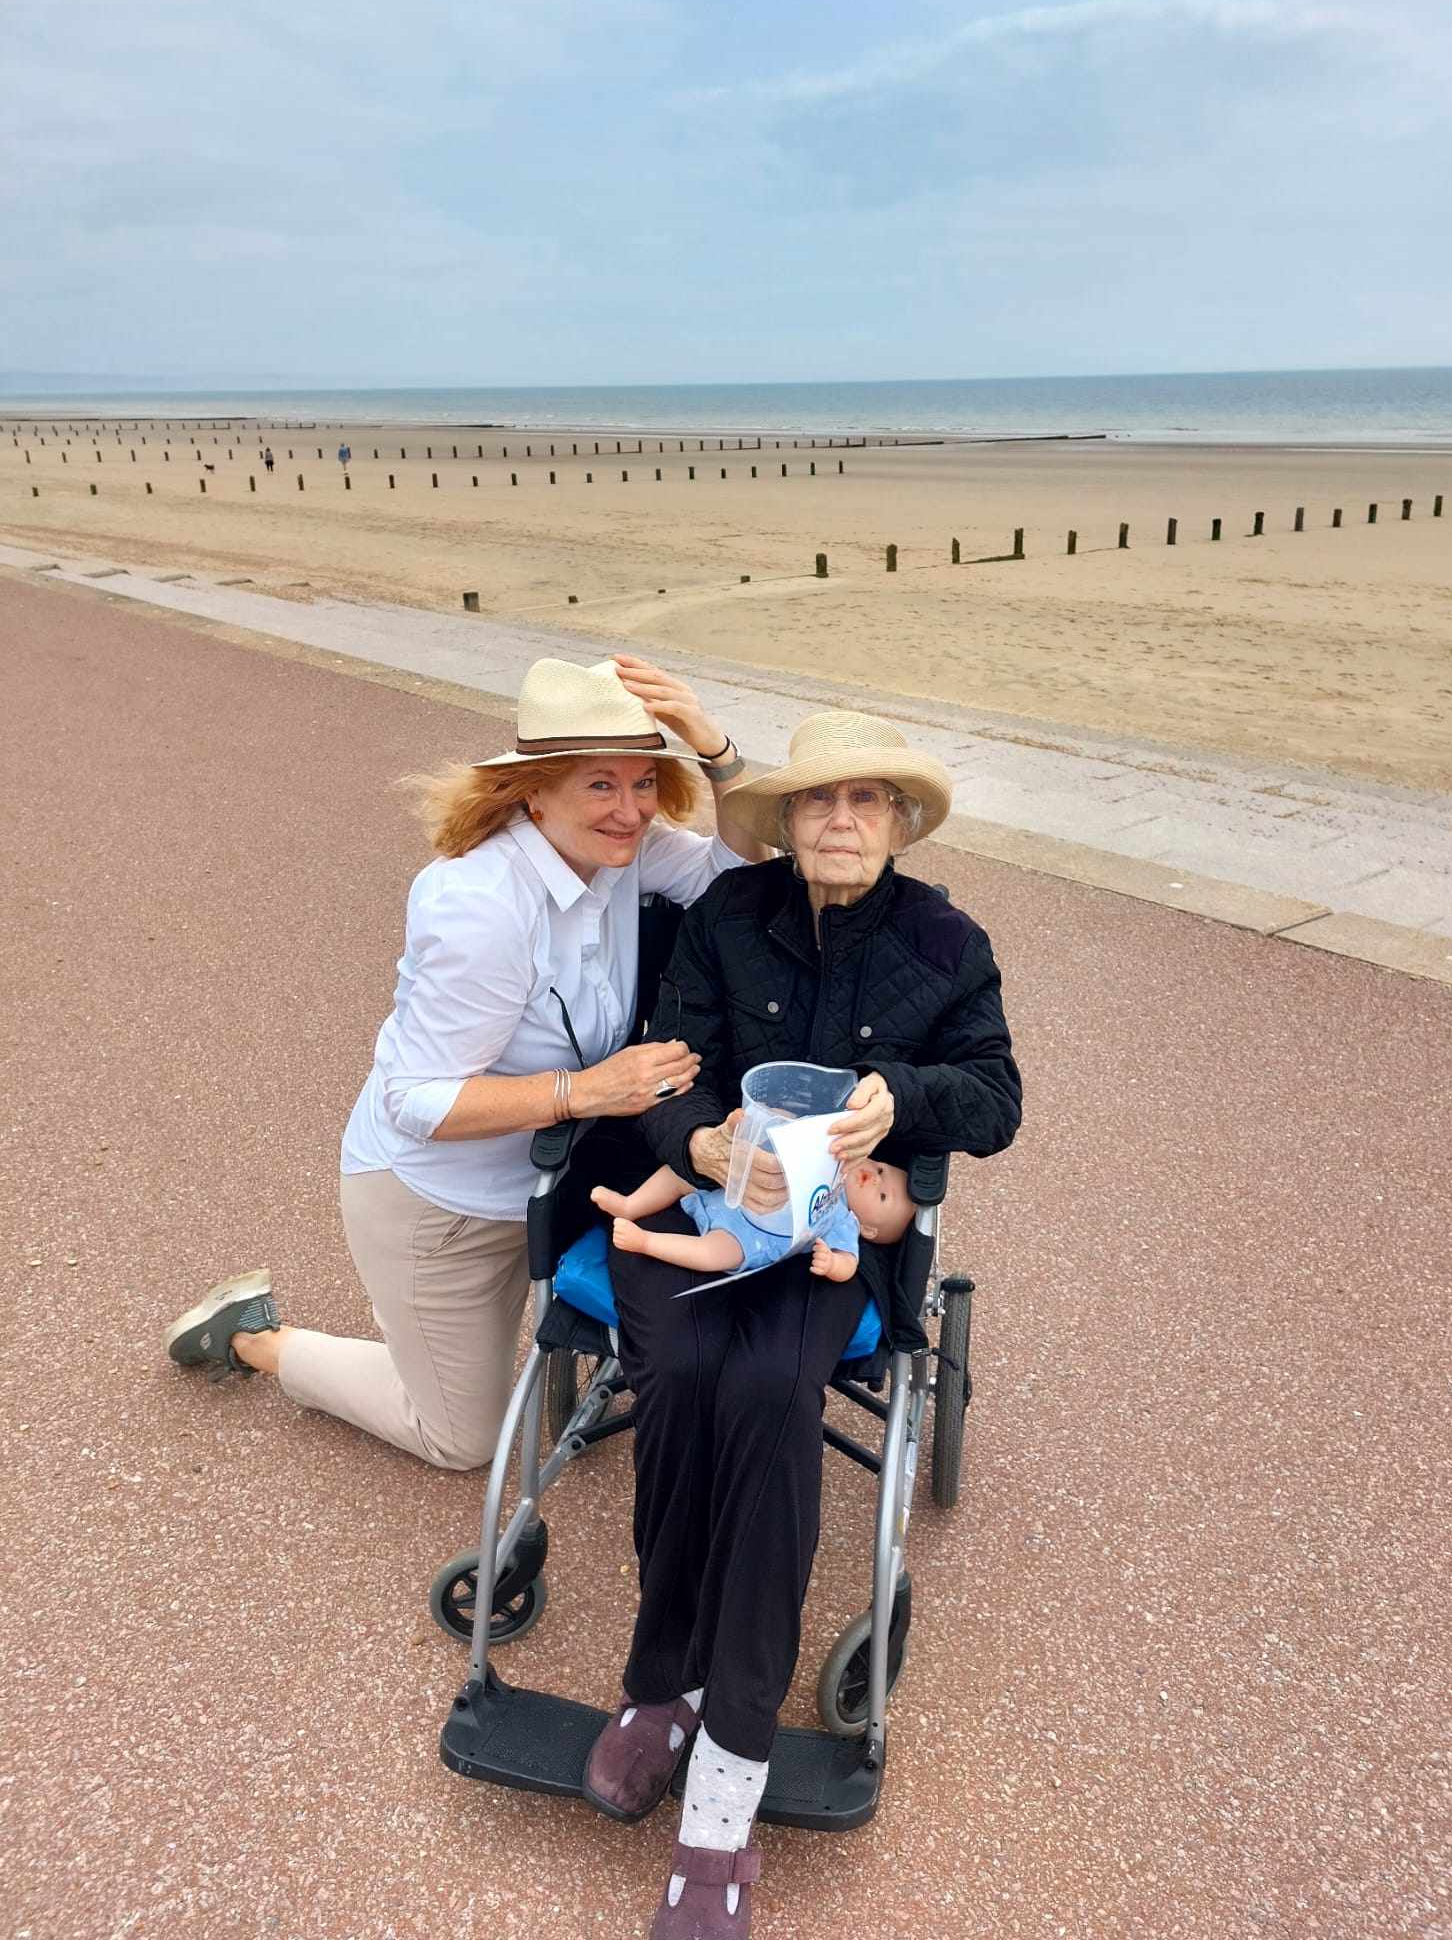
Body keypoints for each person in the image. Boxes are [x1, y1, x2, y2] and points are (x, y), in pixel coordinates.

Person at [581, 709, 1022, 1939]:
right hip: (725, 1208)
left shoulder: (946, 940)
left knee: (773, 1394)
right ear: (783, 822)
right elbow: (670, 1061)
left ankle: (723, 1791)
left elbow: (995, 1101)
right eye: (821, 801)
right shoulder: (730, 918)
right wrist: (707, 1140)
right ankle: (658, 1682)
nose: (840, 819)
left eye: (867, 801)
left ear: (897, 823)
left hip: (835, 1236)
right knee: (673, 1370)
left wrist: (910, 1094)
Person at [162, 656, 764, 1470]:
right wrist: (585, 1090)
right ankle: (255, 1338)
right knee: (459, 1438)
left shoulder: (621, 852)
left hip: (550, 1173)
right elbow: (417, 1101)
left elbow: (740, 879)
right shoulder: (480, 904)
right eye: (600, 785)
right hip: (440, 1204)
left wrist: (719, 753)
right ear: (535, 791)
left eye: (645, 782)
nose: (629, 810)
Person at [591, 1153, 916, 1282]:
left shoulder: (844, 1220)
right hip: (729, 1186)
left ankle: (646, 1241)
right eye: (880, 1169)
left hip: (750, 1237)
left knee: (712, 1254)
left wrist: (832, 1264)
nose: (875, 1177)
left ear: (869, 1230)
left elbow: (849, 1263)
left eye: (882, 1195)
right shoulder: (833, 1159)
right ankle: (630, 1204)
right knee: (680, 1171)